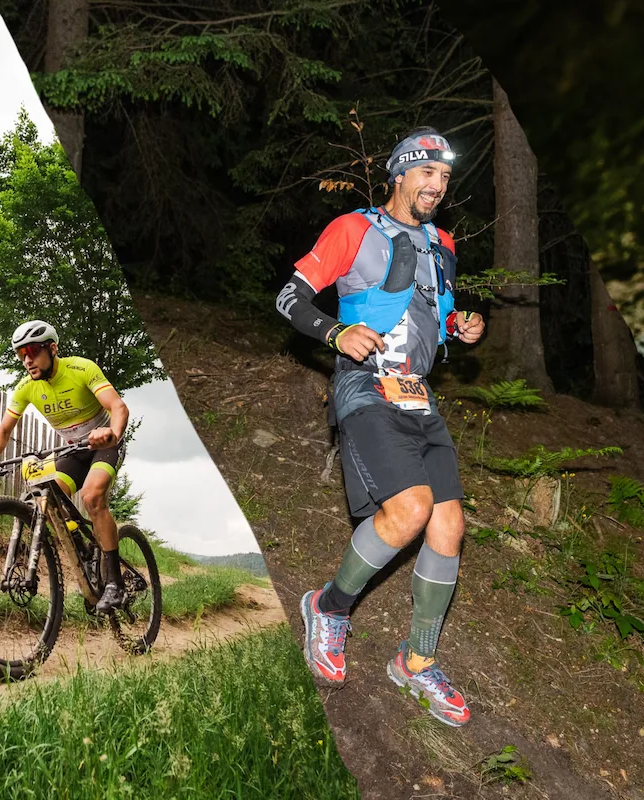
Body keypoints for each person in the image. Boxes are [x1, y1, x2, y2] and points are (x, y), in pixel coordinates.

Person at [276, 127, 485, 726]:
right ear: (399, 173)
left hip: (418, 398)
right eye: (427, 174)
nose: (437, 187)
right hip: (364, 387)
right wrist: (335, 332)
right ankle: (330, 607)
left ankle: (416, 664)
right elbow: (289, 298)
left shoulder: (443, 243)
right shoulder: (353, 230)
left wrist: (460, 325)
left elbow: (434, 317)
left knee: (449, 525)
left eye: (445, 178)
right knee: (411, 509)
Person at [0, 320, 131, 613]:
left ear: (52, 348)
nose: (27, 360)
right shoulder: (26, 388)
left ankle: (114, 584)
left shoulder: (81, 369)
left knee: (92, 496)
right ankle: (83, 549)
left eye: (32, 351)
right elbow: (5, 429)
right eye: (21, 355)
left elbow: (118, 407)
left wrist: (113, 433)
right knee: (49, 500)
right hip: (72, 450)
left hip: (104, 444)